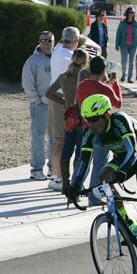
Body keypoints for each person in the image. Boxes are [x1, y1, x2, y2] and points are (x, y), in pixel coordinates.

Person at [66, 94, 137, 274]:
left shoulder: (120, 121)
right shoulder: (89, 133)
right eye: (88, 120)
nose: (92, 125)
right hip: (121, 159)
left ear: (107, 115)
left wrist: (120, 172)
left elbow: (133, 152)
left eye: (95, 120)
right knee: (103, 177)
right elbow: (84, 162)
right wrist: (75, 186)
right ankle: (130, 224)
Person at [75, 56, 123, 207]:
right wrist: (115, 85)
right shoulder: (105, 89)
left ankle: (74, 192)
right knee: (99, 163)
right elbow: (118, 103)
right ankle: (94, 197)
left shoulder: (82, 85)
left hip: (86, 127)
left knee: (84, 162)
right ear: (104, 71)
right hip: (101, 129)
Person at [46, 48, 89, 193]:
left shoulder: (64, 76)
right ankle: (78, 182)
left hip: (70, 116)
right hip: (83, 116)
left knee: (66, 151)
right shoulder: (86, 76)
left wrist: (63, 101)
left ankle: (65, 183)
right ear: (85, 61)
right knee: (80, 152)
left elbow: (49, 93)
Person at [47, 26, 81, 190]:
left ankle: (54, 176)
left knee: (56, 140)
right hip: (62, 101)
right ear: (75, 41)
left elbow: (63, 41)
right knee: (61, 141)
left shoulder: (58, 50)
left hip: (54, 100)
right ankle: (59, 178)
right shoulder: (69, 58)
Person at [21, 31, 54, 181]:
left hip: (56, 105)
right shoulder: (33, 61)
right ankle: (36, 169)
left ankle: (54, 168)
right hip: (40, 105)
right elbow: (27, 82)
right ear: (39, 42)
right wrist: (37, 100)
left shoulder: (57, 59)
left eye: (49, 41)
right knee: (38, 138)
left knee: (55, 138)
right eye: (43, 40)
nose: (46, 43)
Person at [115, 7, 137, 83]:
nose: (131, 14)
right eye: (130, 13)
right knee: (124, 61)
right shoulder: (122, 23)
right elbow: (118, 34)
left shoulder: (136, 24)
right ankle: (124, 73)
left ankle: (129, 78)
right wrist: (117, 44)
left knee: (131, 62)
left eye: (133, 13)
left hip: (133, 45)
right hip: (124, 45)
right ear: (127, 14)